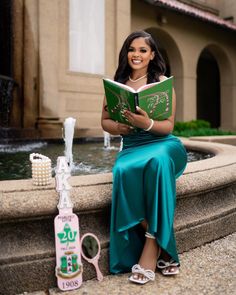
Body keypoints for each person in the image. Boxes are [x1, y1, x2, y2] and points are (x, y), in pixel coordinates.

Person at [101, 31, 187, 285]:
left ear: (152, 56)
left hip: (162, 144)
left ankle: (150, 248)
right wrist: (119, 128)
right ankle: (165, 245)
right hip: (132, 147)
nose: (136, 55)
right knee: (121, 171)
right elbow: (104, 121)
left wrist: (146, 122)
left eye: (142, 50)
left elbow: (168, 127)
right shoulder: (116, 85)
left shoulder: (162, 84)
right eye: (132, 49)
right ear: (126, 53)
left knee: (159, 162)